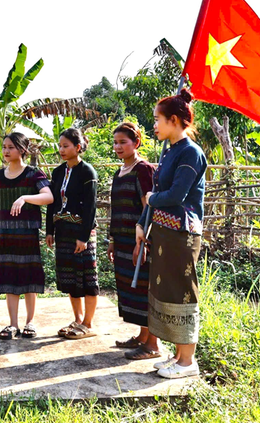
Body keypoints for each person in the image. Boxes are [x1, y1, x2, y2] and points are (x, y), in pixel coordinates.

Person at [135, 88, 207, 379]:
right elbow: (157, 193)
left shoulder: (191, 152)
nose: (154, 125)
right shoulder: (171, 150)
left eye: (157, 119)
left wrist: (151, 199)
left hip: (182, 232)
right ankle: (177, 356)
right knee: (166, 290)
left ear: (174, 120)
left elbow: (176, 195)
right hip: (164, 231)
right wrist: (143, 223)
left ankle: (187, 362)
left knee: (181, 291)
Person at [0, 132, 53, 340]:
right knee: (9, 279)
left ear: (23, 150)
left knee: (28, 279)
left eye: (11, 147)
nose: (6, 151)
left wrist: (25, 197)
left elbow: (49, 197)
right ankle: (13, 324)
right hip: (5, 234)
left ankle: (30, 322)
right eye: (4, 147)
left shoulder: (34, 174)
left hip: (26, 233)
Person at [106, 122, 160, 359]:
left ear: (136, 142)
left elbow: (149, 207)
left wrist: (144, 241)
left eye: (123, 142)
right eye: (115, 142)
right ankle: (142, 336)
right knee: (131, 289)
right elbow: (115, 209)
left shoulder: (143, 170)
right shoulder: (119, 173)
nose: (118, 147)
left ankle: (153, 345)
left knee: (144, 289)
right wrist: (112, 240)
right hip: (122, 240)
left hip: (139, 241)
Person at [45, 127, 98, 340]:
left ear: (77, 147)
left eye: (65, 146)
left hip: (81, 233)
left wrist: (84, 237)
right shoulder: (58, 172)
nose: (61, 150)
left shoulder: (88, 173)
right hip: (63, 232)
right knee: (70, 277)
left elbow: (90, 207)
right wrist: (49, 230)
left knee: (87, 277)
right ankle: (77, 319)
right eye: (60, 146)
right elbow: (51, 203)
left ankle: (88, 323)